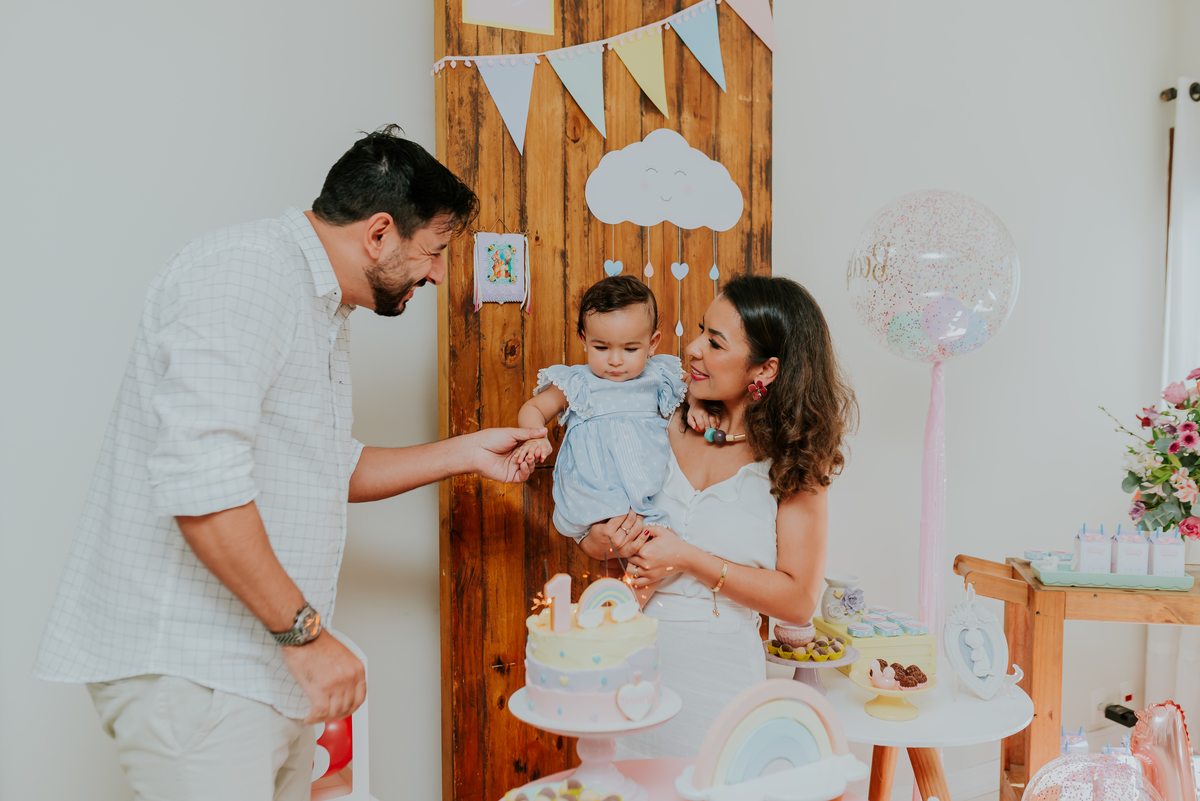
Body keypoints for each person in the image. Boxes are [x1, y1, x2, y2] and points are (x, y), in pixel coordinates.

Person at [32, 125, 546, 800]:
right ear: (380, 231)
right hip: (201, 669)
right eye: (436, 250)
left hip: (258, 664)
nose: (439, 272)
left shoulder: (317, 302)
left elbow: (325, 466)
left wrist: (464, 453)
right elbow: (202, 489)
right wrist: (307, 637)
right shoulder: (246, 274)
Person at [575, 275, 857, 758]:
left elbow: (797, 601)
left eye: (714, 341)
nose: (692, 348)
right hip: (630, 673)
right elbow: (591, 540)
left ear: (764, 370)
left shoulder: (794, 463)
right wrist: (608, 539)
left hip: (723, 683)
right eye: (701, 330)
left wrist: (686, 558)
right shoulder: (659, 418)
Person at [515, 277, 686, 607]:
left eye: (630, 349)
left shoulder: (659, 377)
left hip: (643, 486)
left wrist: (704, 413)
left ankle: (625, 609)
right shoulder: (577, 381)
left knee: (652, 547)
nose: (616, 360)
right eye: (602, 347)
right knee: (618, 547)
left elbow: (690, 408)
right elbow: (534, 408)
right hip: (596, 488)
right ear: (584, 339)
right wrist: (535, 438)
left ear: (653, 343)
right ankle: (619, 608)